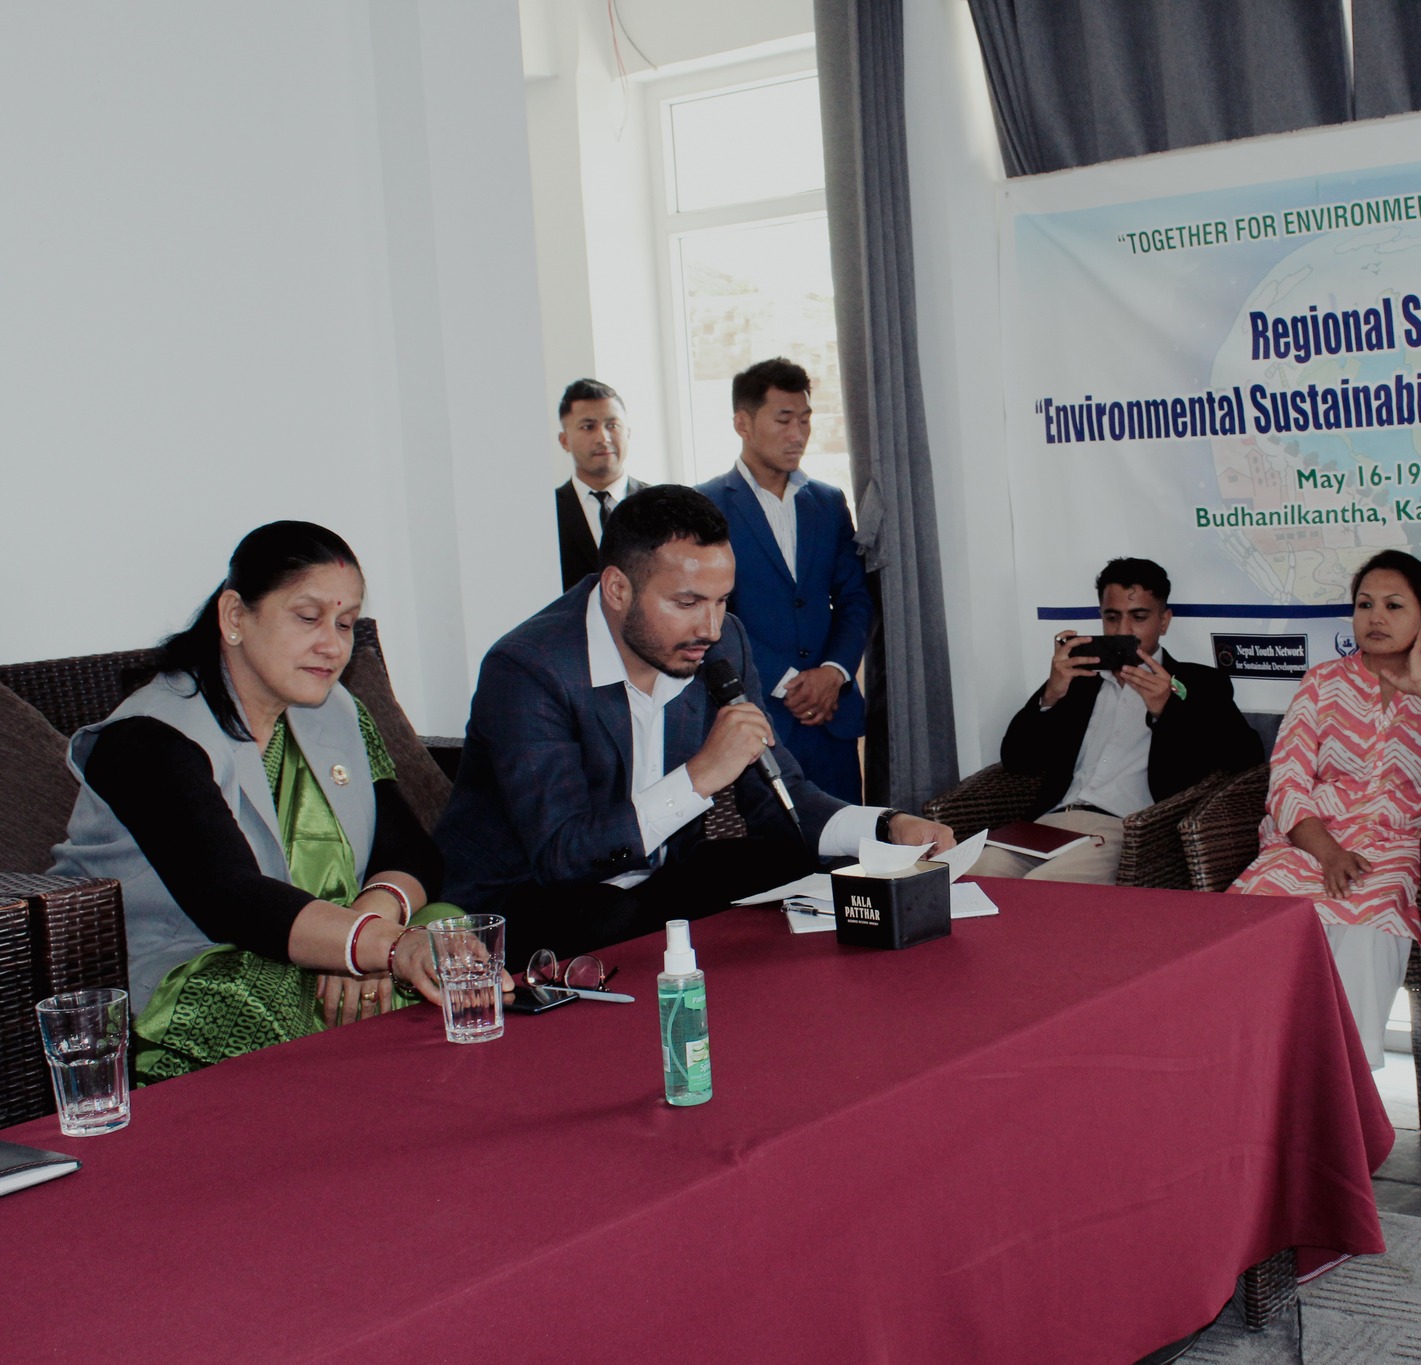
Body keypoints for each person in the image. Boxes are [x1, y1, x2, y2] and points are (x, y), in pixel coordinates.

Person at [49, 522, 496, 1080]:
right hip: (188, 963)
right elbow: (229, 897)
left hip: (322, 936)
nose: (333, 645)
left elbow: (412, 852)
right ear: (235, 616)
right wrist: (384, 948)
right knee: (267, 997)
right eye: (307, 618)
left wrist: (364, 934)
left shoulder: (336, 711)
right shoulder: (148, 737)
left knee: (447, 927)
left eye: (345, 623)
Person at [437, 484, 951, 960]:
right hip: (530, 904)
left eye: (721, 599)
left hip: (654, 887)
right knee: (619, 914)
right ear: (617, 589)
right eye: (687, 603)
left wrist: (885, 827)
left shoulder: (721, 644)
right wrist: (702, 774)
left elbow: (781, 795)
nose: (711, 627)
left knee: (797, 868)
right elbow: (562, 854)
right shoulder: (528, 669)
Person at [1228, 550, 1421, 1068]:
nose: (1375, 617)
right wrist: (1328, 853)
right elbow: (1286, 784)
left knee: (1368, 923)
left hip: (1395, 848)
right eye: (1365, 605)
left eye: (1393, 605)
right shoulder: (1322, 682)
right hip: (1310, 841)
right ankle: (1247, 1067)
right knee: (1247, 924)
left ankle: (1346, 1080)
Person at [968, 557, 1262, 883]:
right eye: (1112, 617)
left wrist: (1167, 710)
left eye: (1139, 617)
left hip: (1125, 830)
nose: (1123, 631)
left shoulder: (1197, 682)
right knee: (979, 874)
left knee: (1045, 888)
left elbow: (1245, 757)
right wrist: (1050, 695)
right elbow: (1017, 760)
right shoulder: (1079, 679)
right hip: (1051, 823)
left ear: (1164, 621)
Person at [696, 358, 871, 802]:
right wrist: (786, 681)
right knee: (774, 842)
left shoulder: (828, 502)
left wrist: (833, 673)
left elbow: (855, 599)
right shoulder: (705, 505)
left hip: (831, 715)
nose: (798, 434)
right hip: (757, 714)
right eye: (783, 419)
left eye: (805, 419)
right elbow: (708, 615)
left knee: (847, 836)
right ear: (743, 423)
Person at [555, 378, 646, 593]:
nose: (603, 438)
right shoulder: (548, 512)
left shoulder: (661, 505)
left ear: (628, 433)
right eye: (588, 427)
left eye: (612, 425)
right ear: (564, 441)